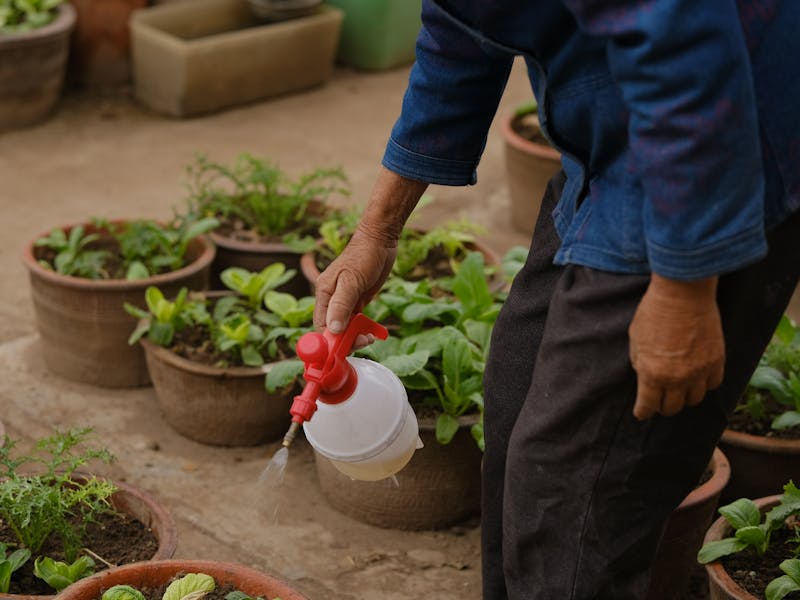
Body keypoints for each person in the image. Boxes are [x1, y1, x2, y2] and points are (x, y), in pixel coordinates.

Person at [312, 2, 800, 598]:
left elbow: (684, 45)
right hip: (608, 130)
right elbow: (459, 28)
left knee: (574, 504)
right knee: (517, 397)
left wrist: (684, 287)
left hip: (711, 151)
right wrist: (377, 231)